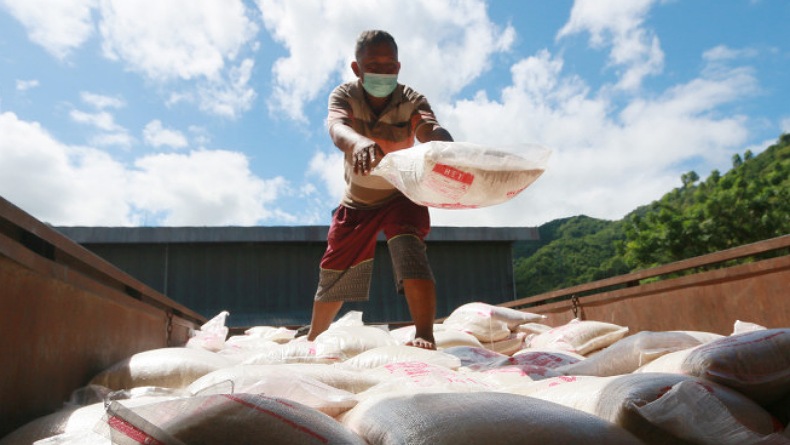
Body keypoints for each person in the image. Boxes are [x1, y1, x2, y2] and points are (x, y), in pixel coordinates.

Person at [305, 30, 454, 349]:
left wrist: (440, 139)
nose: (383, 72)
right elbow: (337, 127)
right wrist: (358, 141)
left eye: (389, 66)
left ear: (398, 67)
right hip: (358, 201)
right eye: (374, 65)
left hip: (402, 192)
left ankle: (424, 335)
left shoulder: (411, 98)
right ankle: (314, 337)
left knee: (409, 251)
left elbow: (425, 126)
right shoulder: (344, 95)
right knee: (337, 268)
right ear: (357, 69)